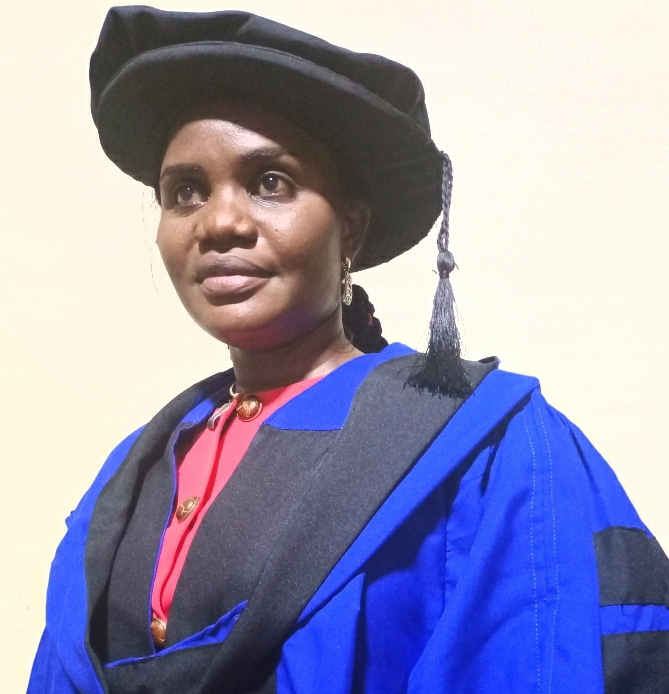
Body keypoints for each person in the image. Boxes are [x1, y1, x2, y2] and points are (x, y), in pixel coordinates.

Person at [27, 6, 669, 694]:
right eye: (185, 192)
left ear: (351, 230)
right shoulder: (138, 466)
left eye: (269, 182)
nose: (219, 222)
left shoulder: (484, 445)